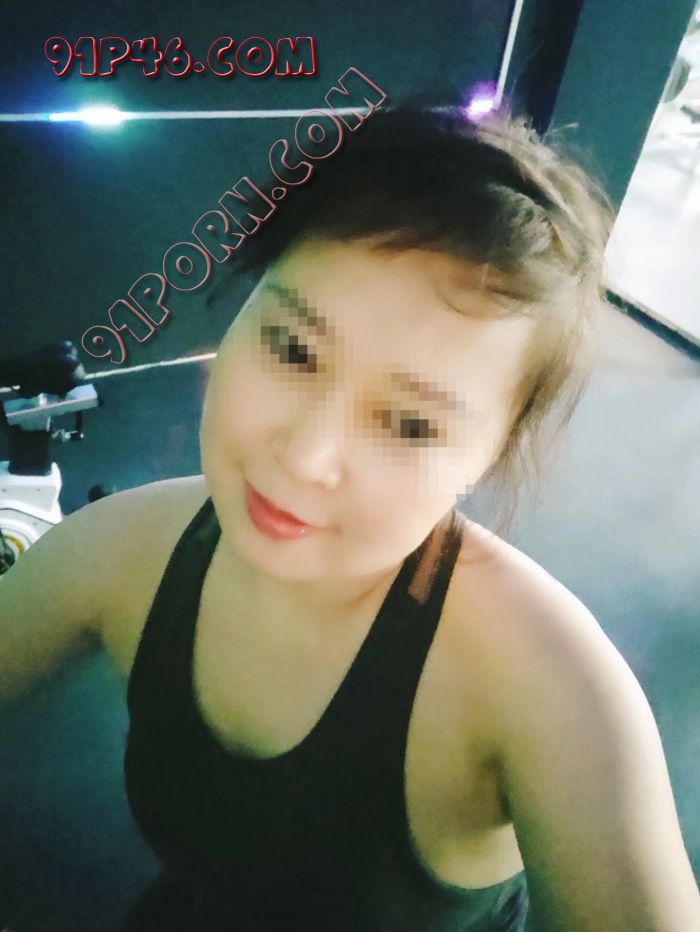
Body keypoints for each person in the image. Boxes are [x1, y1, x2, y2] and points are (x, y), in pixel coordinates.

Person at [2, 102, 699, 932]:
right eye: (294, 350)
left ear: (489, 454)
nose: (306, 458)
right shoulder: (121, 554)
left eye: (410, 424)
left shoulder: (553, 691)